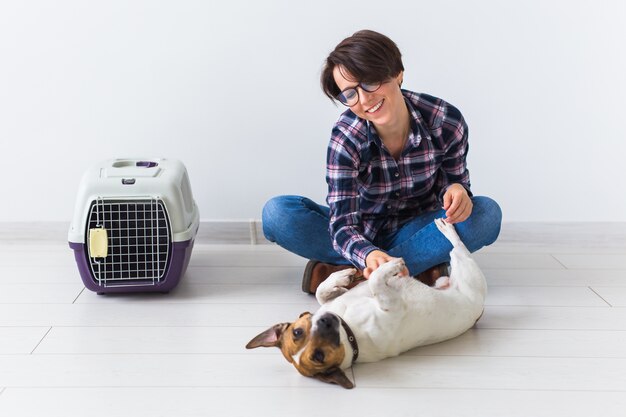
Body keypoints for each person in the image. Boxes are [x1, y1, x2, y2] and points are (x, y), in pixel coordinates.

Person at [262, 30, 502, 294]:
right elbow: (343, 225)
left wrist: (457, 191)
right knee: (277, 214)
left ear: (397, 72)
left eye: (369, 82)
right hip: (361, 230)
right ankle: (407, 269)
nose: (364, 99)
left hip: (419, 228)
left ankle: (356, 277)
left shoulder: (445, 120)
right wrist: (366, 253)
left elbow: (455, 184)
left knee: (486, 214)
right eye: (350, 93)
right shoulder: (346, 137)